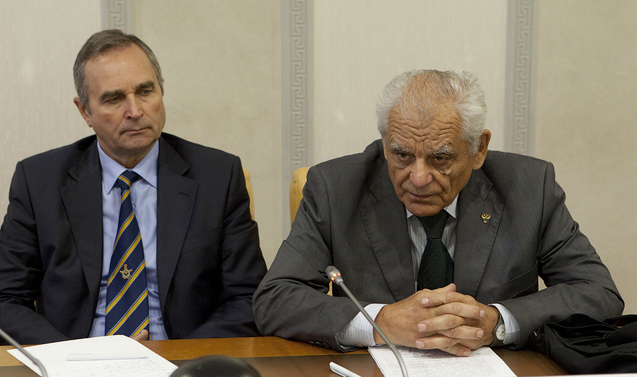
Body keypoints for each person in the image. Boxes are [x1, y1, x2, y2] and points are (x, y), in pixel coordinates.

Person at [253, 69, 623, 356]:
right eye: (401, 155)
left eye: (440, 158)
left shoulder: (529, 188)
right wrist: (380, 321)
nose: (418, 177)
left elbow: (598, 292)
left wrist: (497, 322)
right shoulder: (336, 188)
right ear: (385, 143)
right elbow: (275, 299)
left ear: (478, 150)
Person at [0, 30, 266, 345]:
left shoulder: (217, 176)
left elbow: (249, 299)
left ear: (161, 89)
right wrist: (74, 357)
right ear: (85, 111)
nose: (135, 111)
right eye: (114, 99)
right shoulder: (40, 181)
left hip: (182, 362)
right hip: (74, 363)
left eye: (145, 91)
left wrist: (179, 358)